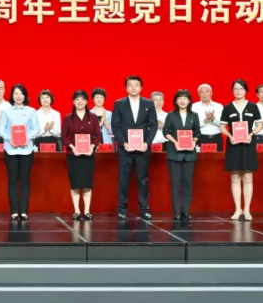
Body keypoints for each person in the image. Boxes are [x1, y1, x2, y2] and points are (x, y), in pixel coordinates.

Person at [111, 75, 158, 220]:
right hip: (125, 148)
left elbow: (153, 125)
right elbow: (115, 126)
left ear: (141, 88)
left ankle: (144, 209)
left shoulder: (148, 103)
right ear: (126, 88)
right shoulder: (119, 104)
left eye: (136, 85)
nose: (133, 88)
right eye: (130, 85)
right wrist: (123, 142)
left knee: (143, 179)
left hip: (142, 148)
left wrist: (147, 143)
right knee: (123, 178)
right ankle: (122, 209)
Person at [220, 79, 263, 221]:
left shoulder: (253, 107)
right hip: (233, 145)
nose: (238, 91)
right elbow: (222, 127)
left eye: (241, 88)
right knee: (234, 177)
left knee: (248, 176)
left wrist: (252, 134)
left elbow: (259, 125)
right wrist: (230, 136)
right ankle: (238, 209)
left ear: (246, 91)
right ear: (232, 91)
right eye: (235, 89)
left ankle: (247, 210)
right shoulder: (227, 108)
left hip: (248, 144)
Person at [0, 83, 39, 220]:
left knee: (25, 180)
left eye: (21, 93)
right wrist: (10, 139)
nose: (18, 96)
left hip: (27, 150)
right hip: (11, 150)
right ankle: (14, 211)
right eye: (16, 93)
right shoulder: (6, 111)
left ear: (25, 96)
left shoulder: (31, 111)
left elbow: (36, 129)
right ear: (12, 96)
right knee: (13, 180)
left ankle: (24, 211)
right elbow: (1, 130)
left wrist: (28, 137)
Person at [61, 90, 101, 221]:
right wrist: (72, 147)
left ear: (86, 101)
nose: (80, 102)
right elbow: (63, 137)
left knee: (87, 184)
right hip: (74, 155)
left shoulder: (93, 117)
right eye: (77, 99)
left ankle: (87, 211)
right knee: (76, 184)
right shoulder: (68, 118)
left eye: (82, 99)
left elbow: (98, 136)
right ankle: (77, 211)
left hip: (89, 155)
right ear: (73, 102)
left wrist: (92, 146)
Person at [162, 89, 201, 221]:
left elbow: (197, 132)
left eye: (185, 98)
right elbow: (166, 131)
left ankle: (186, 211)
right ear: (176, 101)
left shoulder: (194, 115)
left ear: (189, 101)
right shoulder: (171, 115)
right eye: (179, 98)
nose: (182, 101)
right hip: (174, 153)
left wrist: (194, 141)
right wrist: (175, 142)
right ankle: (177, 212)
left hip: (189, 155)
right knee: (175, 183)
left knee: (187, 184)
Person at [192, 84, 224, 151]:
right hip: (200, 138)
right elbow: (192, 125)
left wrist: (213, 119)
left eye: (207, 91)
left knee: (217, 158)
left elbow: (223, 125)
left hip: (216, 138)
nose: (204, 94)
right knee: (200, 158)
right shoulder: (193, 107)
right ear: (198, 94)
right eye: (202, 92)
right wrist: (205, 120)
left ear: (211, 93)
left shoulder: (219, 106)